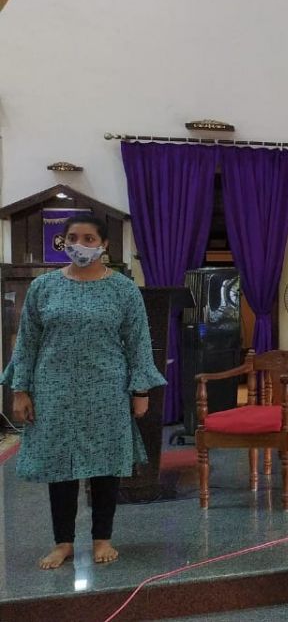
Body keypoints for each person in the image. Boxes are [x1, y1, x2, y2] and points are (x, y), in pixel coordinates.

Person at [0, 214, 165, 570]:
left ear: (104, 245)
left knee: (106, 465)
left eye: (89, 238)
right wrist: (20, 389)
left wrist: (141, 390)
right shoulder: (44, 287)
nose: (80, 245)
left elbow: (138, 342)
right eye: (73, 238)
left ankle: (102, 538)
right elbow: (27, 341)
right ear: (64, 242)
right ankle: (63, 543)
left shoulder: (122, 289)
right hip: (53, 390)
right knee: (60, 466)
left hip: (107, 389)